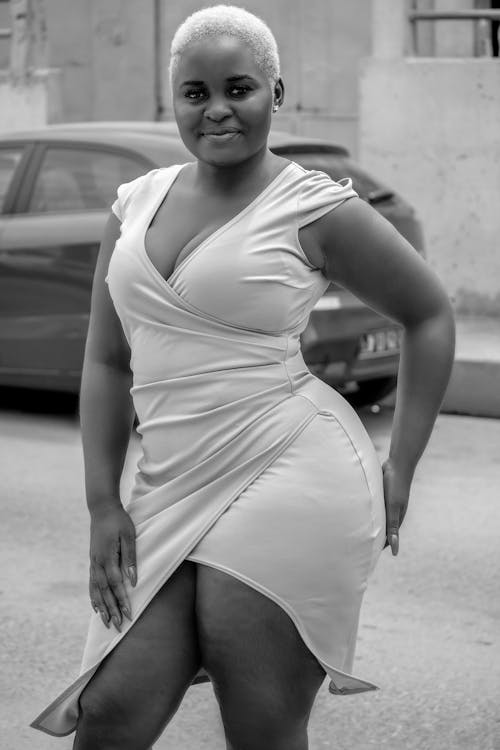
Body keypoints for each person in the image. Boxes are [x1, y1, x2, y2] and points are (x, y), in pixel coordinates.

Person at [31, 5, 455, 749]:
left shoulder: (314, 207)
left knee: (259, 725)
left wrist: (404, 465)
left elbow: (429, 315)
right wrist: (104, 502)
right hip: (169, 480)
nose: (217, 109)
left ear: (276, 92)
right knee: (113, 715)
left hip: (288, 470)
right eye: (196, 92)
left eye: (239, 88)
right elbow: (107, 358)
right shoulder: (135, 204)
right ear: (174, 100)